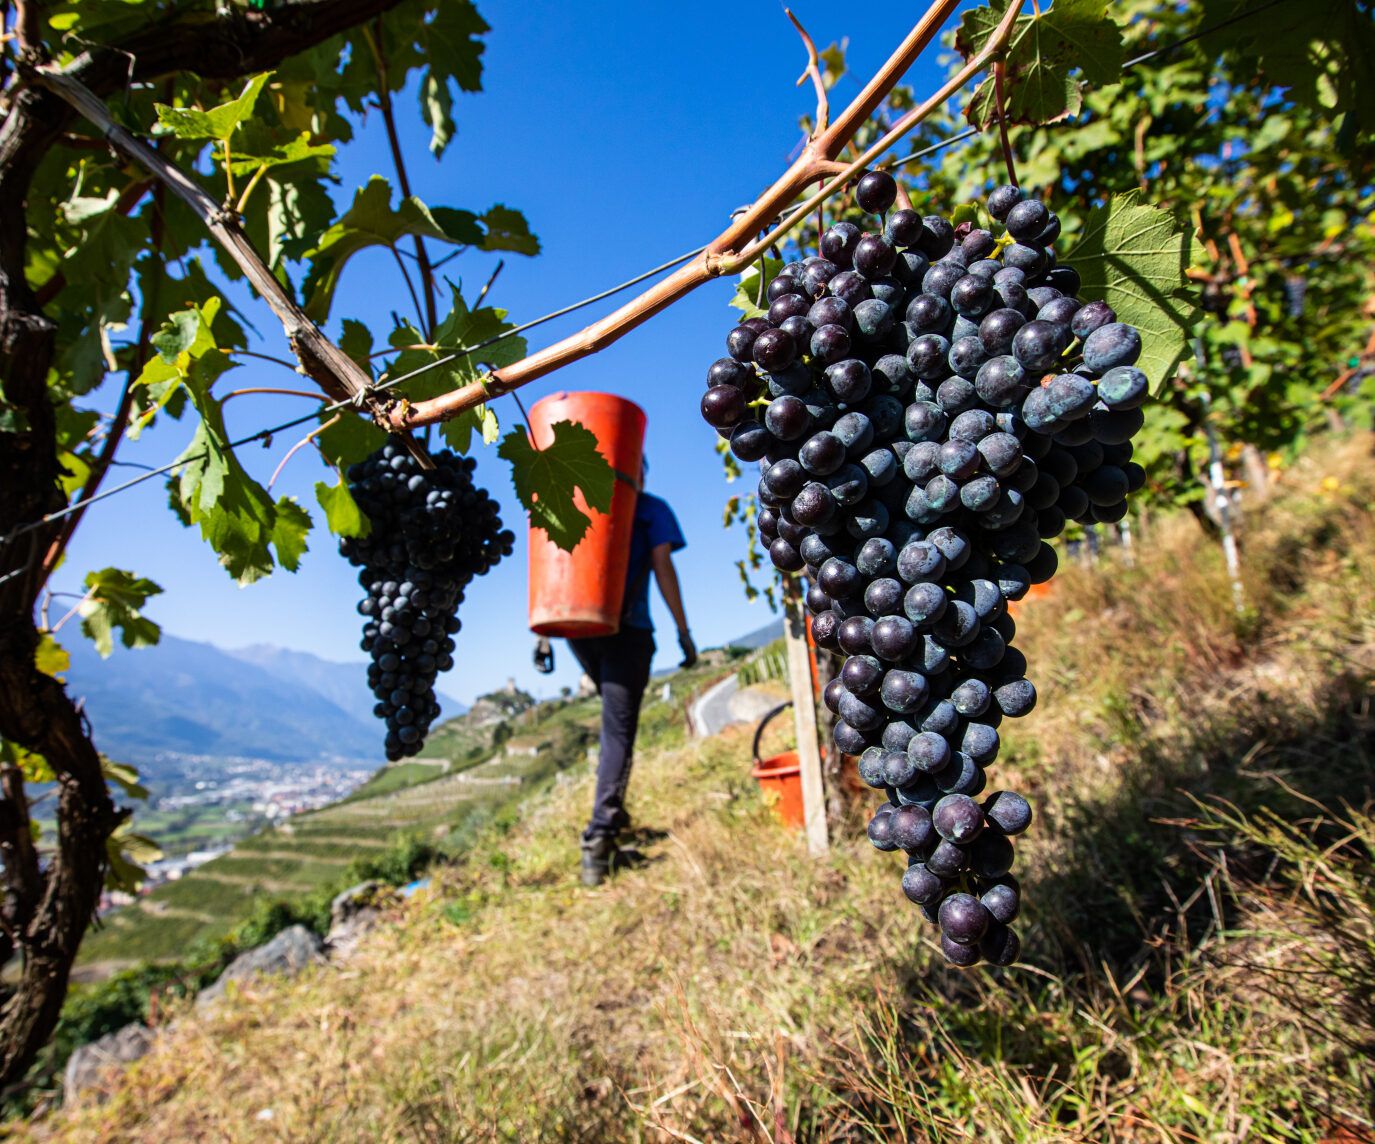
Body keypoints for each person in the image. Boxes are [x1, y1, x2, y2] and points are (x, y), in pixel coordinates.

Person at [534, 467, 696, 886]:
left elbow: (551, 561)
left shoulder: (576, 504)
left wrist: (545, 634)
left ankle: (616, 815)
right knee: (618, 732)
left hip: (578, 631)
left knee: (613, 719)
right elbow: (663, 567)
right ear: (638, 467)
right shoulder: (650, 508)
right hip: (628, 632)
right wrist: (683, 631)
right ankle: (599, 841)